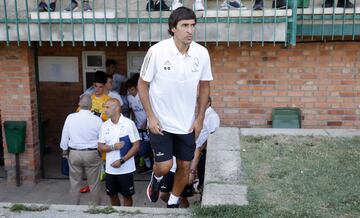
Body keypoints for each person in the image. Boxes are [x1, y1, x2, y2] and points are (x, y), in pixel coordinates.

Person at [138, 7, 213, 208]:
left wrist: (199, 119)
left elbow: (205, 85)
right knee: (165, 166)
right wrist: (151, 117)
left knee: (185, 166)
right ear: (173, 28)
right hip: (160, 122)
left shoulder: (202, 53)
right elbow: (142, 85)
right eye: (185, 26)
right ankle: (156, 177)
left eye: (193, 26)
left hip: (186, 123)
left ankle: (172, 202)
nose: (190, 30)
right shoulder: (156, 51)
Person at [60, 94, 103, 205]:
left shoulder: (70, 117)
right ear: (91, 106)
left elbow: (65, 136)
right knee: (94, 184)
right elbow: (102, 139)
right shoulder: (97, 120)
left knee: (74, 183)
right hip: (92, 153)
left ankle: (74, 209)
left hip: (74, 153)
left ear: (79, 104)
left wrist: (64, 151)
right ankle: (95, 209)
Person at [98, 98, 140, 206]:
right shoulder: (104, 125)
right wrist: (113, 147)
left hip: (126, 169)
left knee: (127, 196)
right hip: (110, 169)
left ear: (117, 108)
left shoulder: (129, 124)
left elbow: (136, 146)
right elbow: (100, 147)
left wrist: (121, 161)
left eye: (107, 107)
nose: (105, 110)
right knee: (112, 195)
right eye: (105, 107)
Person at [180, 96, 220, 208]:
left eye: (202, 102)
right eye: (198, 102)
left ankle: (205, 203)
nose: (199, 104)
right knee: (200, 176)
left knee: (204, 178)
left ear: (209, 103)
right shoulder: (202, 115)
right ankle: (202, 200)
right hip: (197, 151)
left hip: (205, 152)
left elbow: (213, 136)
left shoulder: (212, 116)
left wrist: (201, 148)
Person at [126, 75, 153, 174]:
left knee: (149, 147)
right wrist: (132, 121)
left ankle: (153, 166)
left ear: (136, 87)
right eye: (129, 90)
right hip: (138, 127)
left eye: (132, 89)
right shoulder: (129, 98)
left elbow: (150, 110)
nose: (131, 92)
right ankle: (148, 166)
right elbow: (132, 110)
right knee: (141, 148)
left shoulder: (143, 95)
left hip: (148, 125)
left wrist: (146, 122)